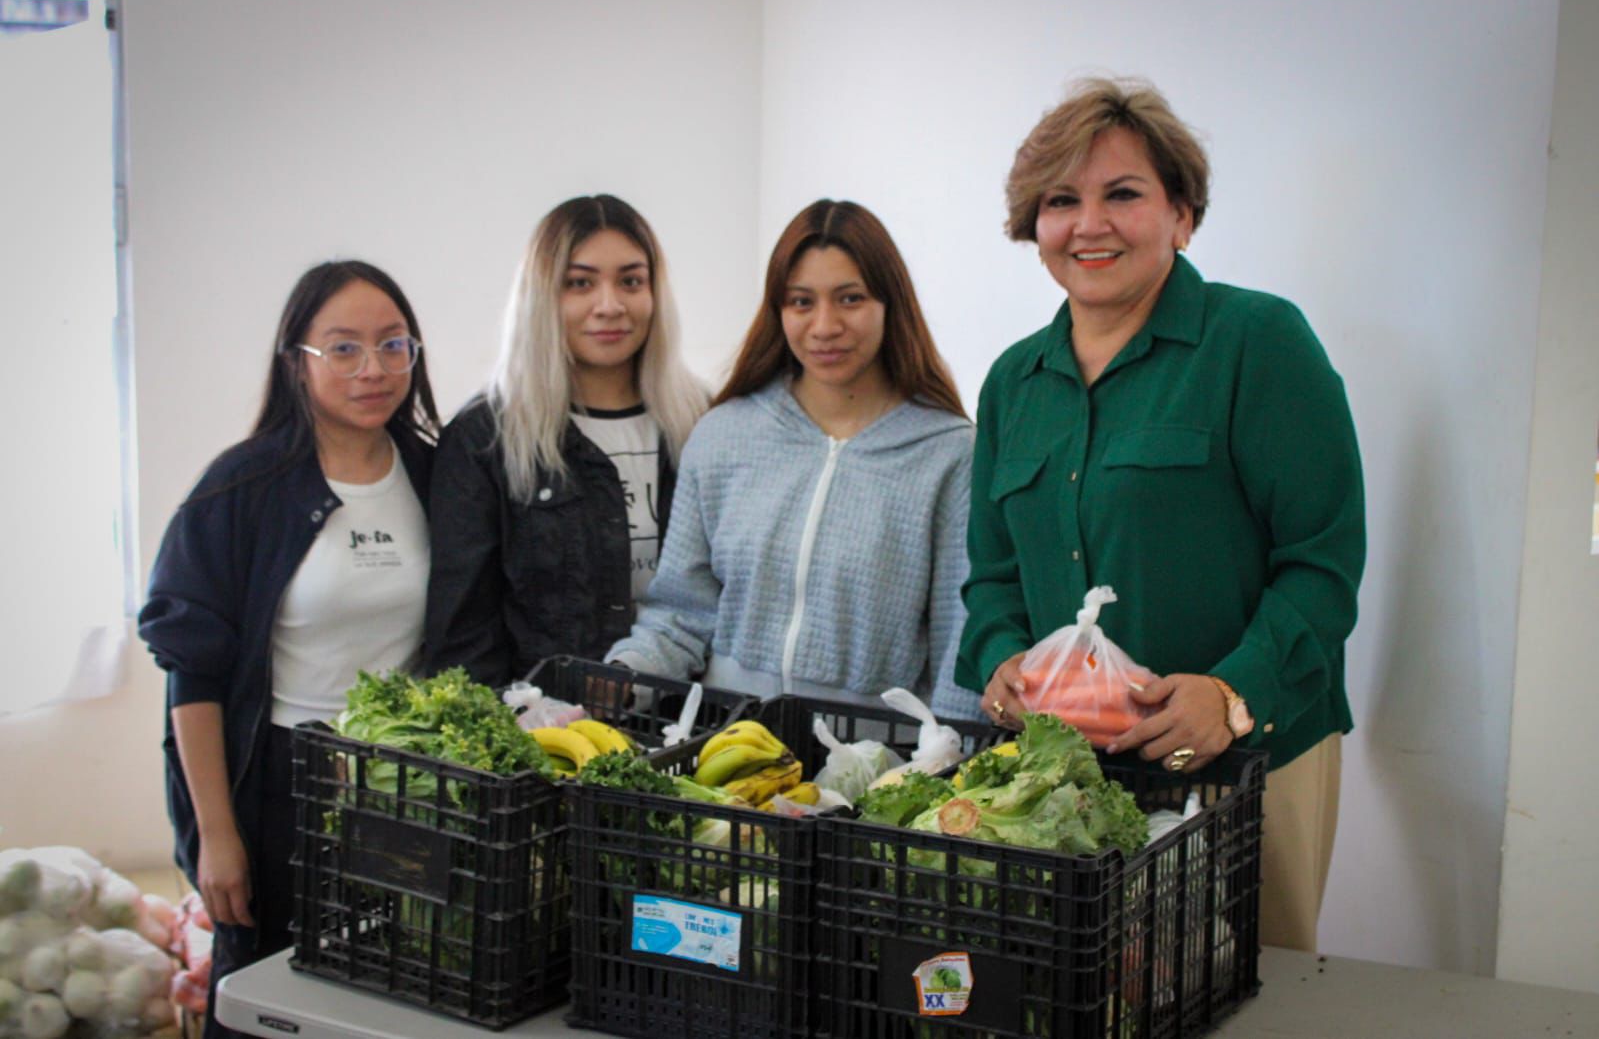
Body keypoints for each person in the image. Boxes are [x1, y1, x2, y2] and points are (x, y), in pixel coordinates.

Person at [957, 78, 1365, 951]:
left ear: (1182, 215)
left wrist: (1230, 693)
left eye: (1123, 194)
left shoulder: (1255, 341)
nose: (1088, 224)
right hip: (1068, 782)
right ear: (1033, 226)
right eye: (1060, 201)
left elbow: (1322, 565)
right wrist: (999, 665)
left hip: (1248, 767)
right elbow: (991, 580)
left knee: (1246, 992)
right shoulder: (1010, 383)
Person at [139, 261, 439, 1037]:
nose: (373, 369)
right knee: (270, 1001)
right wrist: (217, 835)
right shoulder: (242, 488)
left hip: (406, 787)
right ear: (295, 361)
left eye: (392, 344)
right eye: (342, 349)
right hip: (279, 786)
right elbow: (193, 674)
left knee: (393, 994)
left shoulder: (440, 474)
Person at [607, 199, 982, 719]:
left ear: (889, 304)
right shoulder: (723, 435)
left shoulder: (948, 452)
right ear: (778, 311)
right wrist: (624, 677)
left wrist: (950, 770)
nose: (824, 326)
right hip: (727, 752)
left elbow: (960, 643)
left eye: (850, 298)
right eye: (801, 302)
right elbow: (680, 614)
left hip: (878, 769)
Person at [425, 195, 707, 686]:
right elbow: (464, 639)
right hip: (544, 737)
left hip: (696, 728)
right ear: (541, 295)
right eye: (579, 283)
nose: (609, 305)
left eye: (631, 281)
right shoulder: (485, 440)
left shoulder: (705, 421)